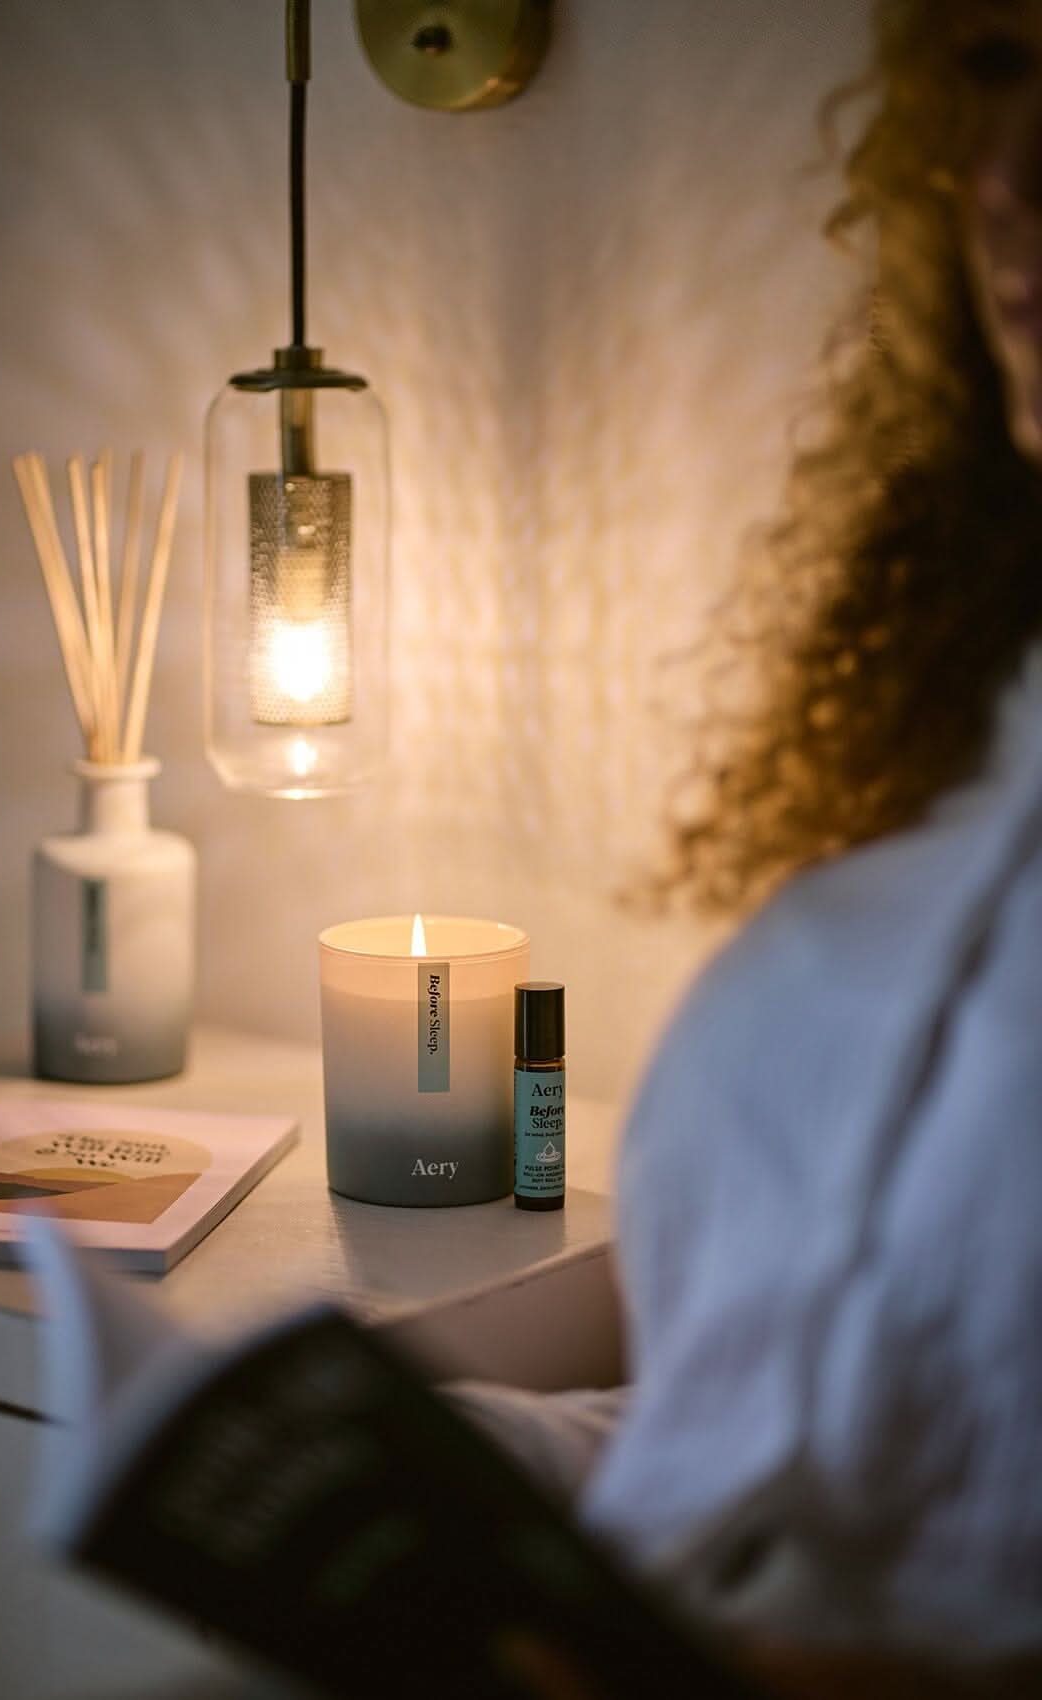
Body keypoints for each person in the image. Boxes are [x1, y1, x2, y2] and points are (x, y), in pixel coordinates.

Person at [455, 2, 1042, 1693]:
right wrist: (435, 1421)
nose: (1014, 172)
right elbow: (772, 1387)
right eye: (996, 69)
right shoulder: (963, 746)